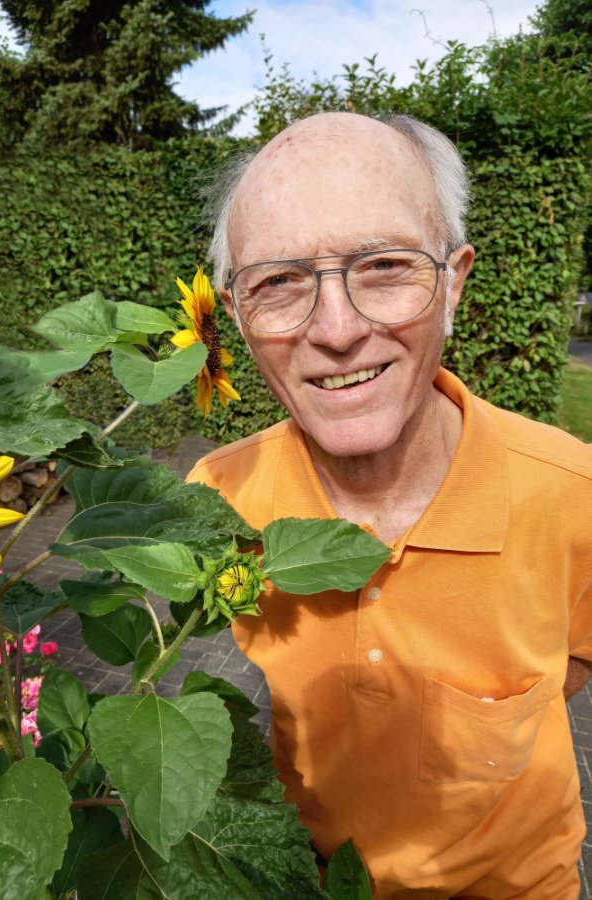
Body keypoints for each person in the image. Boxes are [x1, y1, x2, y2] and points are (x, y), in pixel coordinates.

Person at [186, 111, 592, 898]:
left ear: (453, 282)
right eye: (278, 282)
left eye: (382, 265)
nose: (336, 330)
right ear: (234, 317)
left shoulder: (571, 492)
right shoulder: (215, 502)